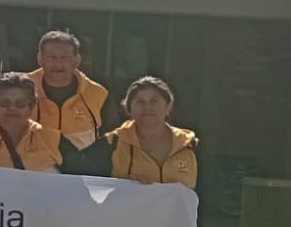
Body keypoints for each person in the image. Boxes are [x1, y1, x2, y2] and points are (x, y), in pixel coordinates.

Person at [69, 77, 199, 187]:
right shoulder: (112, 143)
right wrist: (121, 186)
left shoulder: (191, 145)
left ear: (168, 106)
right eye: (139, 101)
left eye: (154, 101)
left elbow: (207, 196)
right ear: (129, 108)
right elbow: (82, 184)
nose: (147, 106)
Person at [31, 30, 111, 149]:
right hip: (33, 159)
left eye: (64, 57)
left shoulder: (98, 94)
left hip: (82, 160)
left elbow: (111, 141)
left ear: (77, 60)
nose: (58, 64)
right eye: (51, 57)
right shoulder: (21, 90)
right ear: (40, 58)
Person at [0, 72, 62, 171]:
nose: (12, 108)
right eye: (5, 103)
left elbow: (73, 172)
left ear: (32, 106)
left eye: (20, 103)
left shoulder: (54, 140)